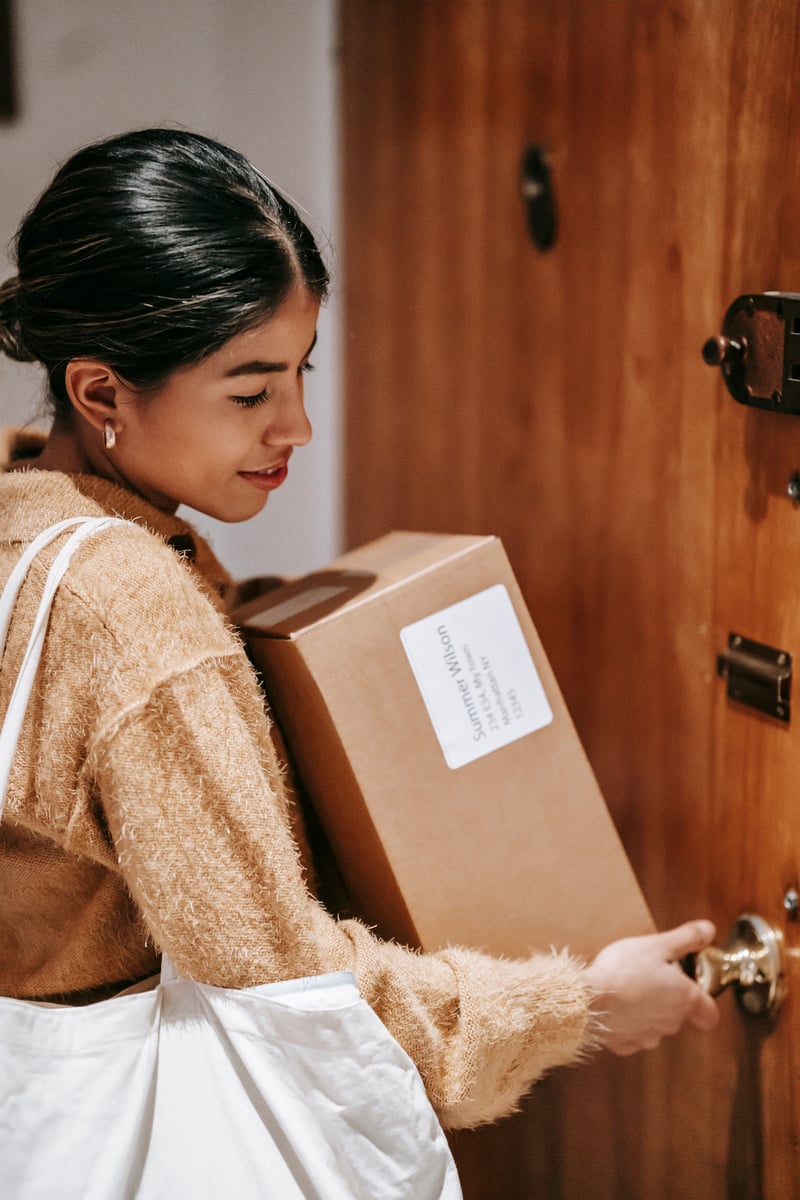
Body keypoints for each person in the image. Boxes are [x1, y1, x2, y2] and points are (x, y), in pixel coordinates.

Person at [0, 128, 718, 1137]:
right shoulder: (128, 605)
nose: (294, 425)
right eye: (250, 391)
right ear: (101, 391)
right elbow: (290, 998)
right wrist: (581, 1007)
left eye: (301, 371)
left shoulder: (30, 532)